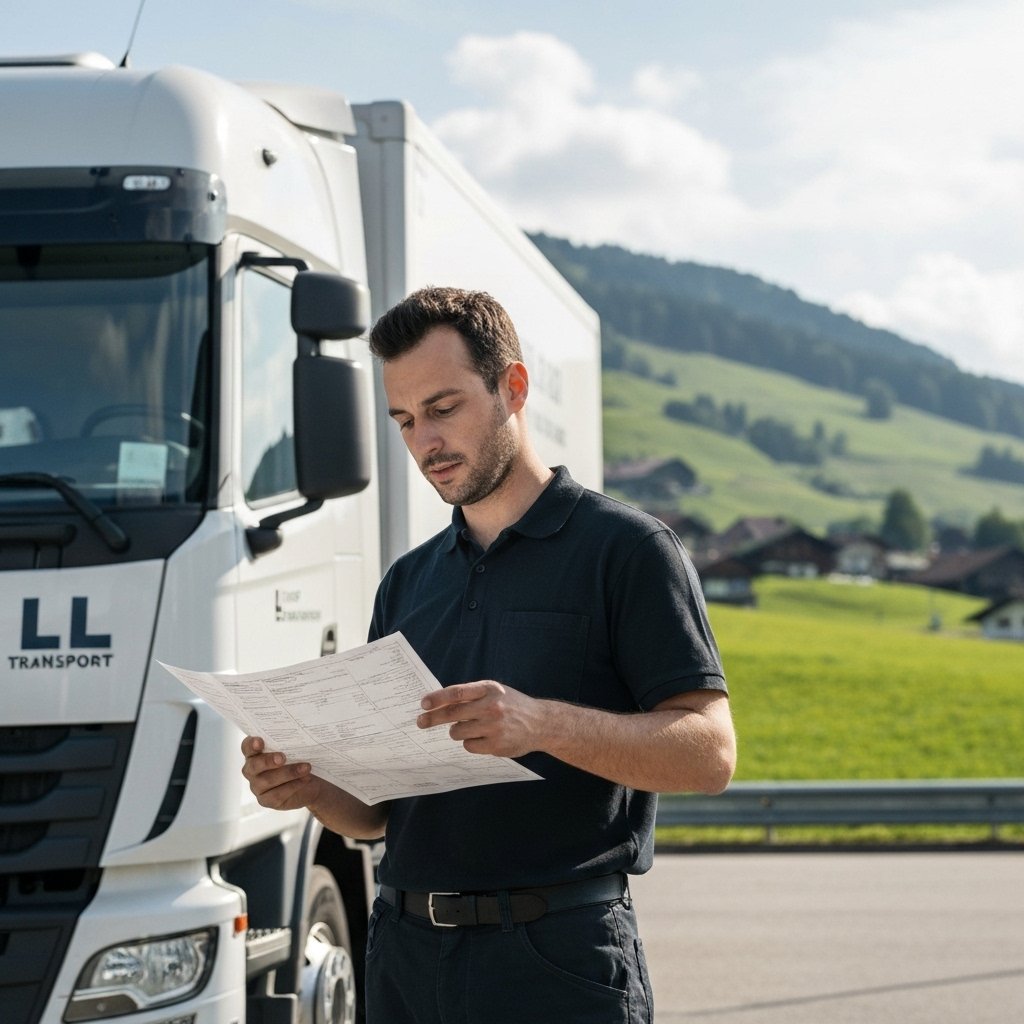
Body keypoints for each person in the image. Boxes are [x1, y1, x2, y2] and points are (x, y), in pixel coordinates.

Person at [242, 286, 736, 1024]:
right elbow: (377, 816)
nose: (426, 442)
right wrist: (307, 785)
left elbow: (710, 754)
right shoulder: (408, 581)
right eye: (405, 421)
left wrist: (541, 724)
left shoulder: (628, 550)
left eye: (444, 409)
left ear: (513, 386)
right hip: (404, 959)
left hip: (556, 961)